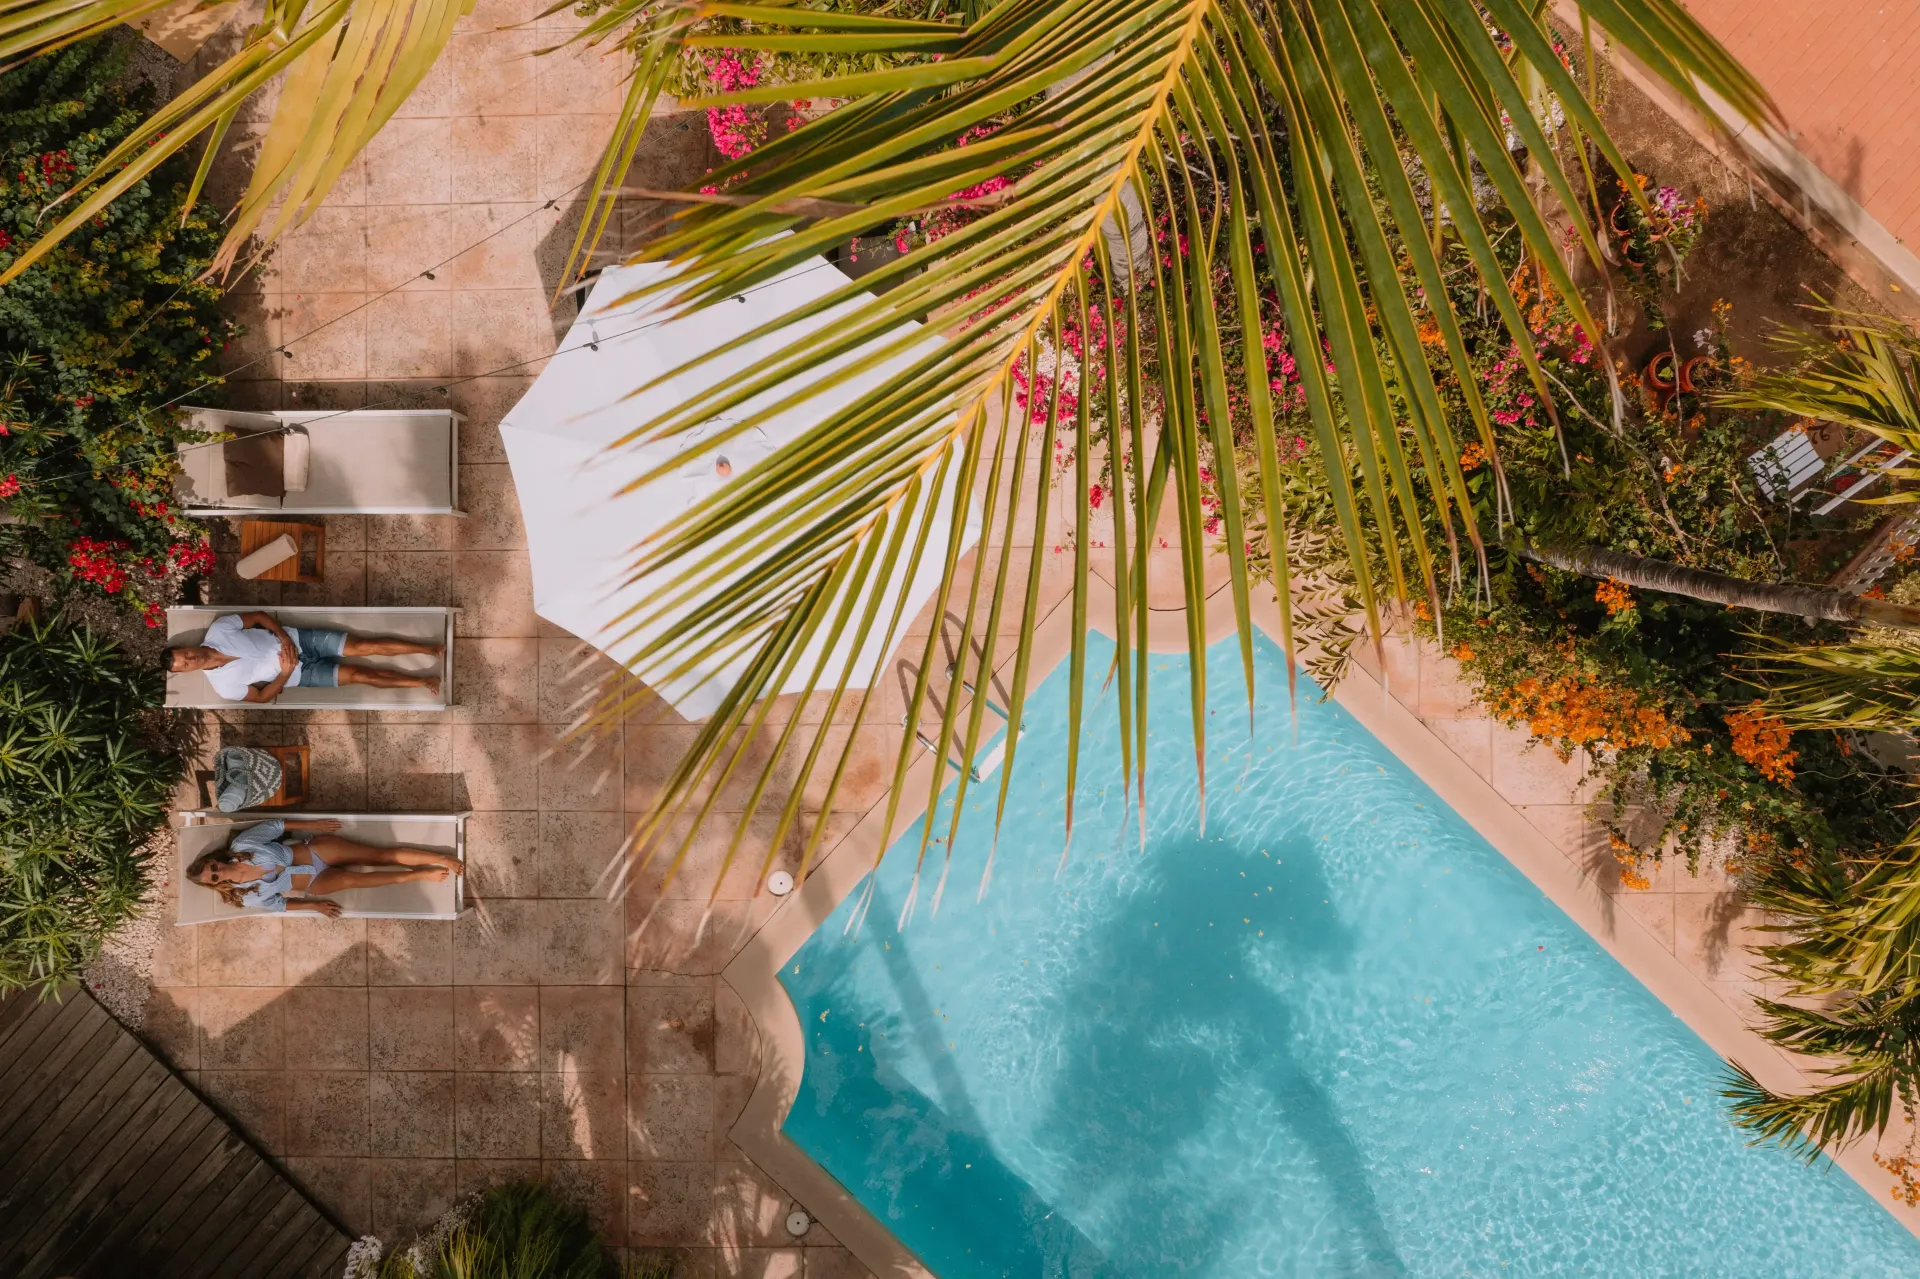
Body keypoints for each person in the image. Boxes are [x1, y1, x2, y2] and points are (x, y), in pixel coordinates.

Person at [186, 818, 463, 917]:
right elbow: (280, 906)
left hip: (314, 850)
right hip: (312, 883)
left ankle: (439, 858)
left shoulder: (243, 845)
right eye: (212, 877)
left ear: (215, 859)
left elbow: (276, 826)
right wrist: (314, 906)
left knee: (379, 856)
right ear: (212, 884)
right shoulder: (244, 897)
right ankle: (421, 875)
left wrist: (313, 826)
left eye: (213, 867)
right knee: (362, 880)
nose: (216, 872)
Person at [164, 611, 442, 703]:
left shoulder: (219, 629)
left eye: (184, 654)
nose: (190, 659)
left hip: (300, 639)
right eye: (185, 664)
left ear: (187, 646)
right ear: (187, 672)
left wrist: (284, 637)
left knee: (363, 647)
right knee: (360, 675)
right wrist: (285, 673)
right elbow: (261, 698)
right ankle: (420, 682)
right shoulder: (222, 687)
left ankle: (426, 649)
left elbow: (259, 616)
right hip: (300, 675)